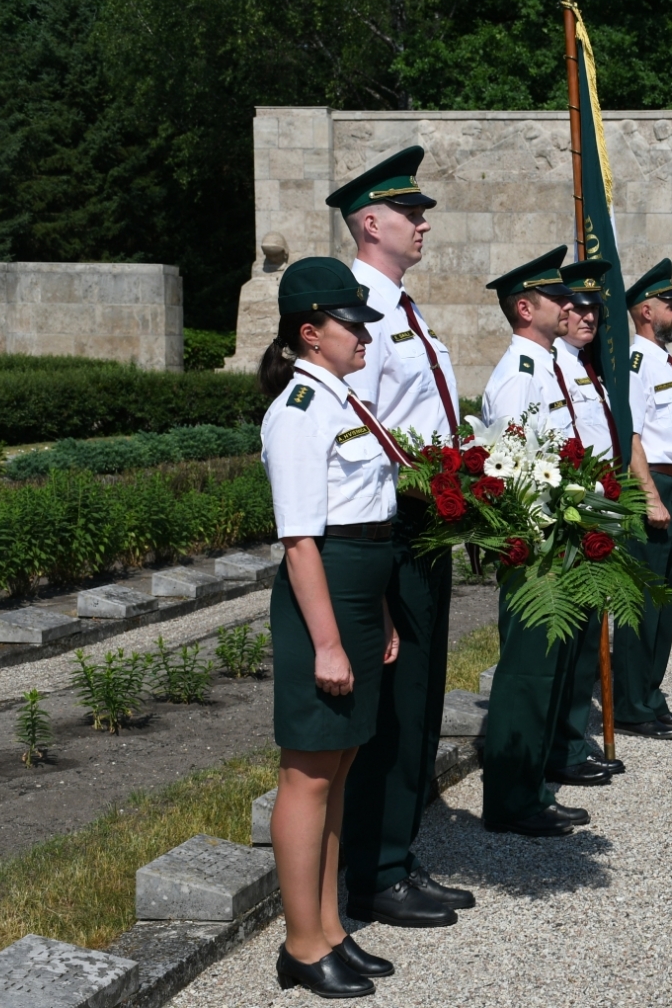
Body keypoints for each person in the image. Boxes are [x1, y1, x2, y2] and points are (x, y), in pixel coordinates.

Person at [327, 145, 474, 928]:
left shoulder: (402, 307)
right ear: (370, 221)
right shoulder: (358, 311)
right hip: (392, 518)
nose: (422, 223)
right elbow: (361, 432)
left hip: (429, 514)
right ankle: (376, 869)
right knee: (396, 697)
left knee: (421, 694)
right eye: (410, 212)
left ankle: (398, 852)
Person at [257, 257, 403, 998]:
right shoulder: (300, 412)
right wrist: (326, 641)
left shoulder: (344, 401)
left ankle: (331, 924)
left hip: (356, 589)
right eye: (353, 323)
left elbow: (368, 516)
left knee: (339, 766)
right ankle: (300, 942)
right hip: (323, 595)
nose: (365, 335)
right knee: (308, 774)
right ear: (311, 332)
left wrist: (375, 613)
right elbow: (302, 539)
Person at [479, 246, 590, 837]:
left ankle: (536, 786)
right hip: (536, 538)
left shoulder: (547, 365)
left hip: (562, 533)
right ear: (525, 308)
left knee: (552, 669)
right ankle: (511, 798)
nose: (569, 304)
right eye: (555, 297)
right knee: (527, 672)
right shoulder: (518, 375)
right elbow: (514, 466)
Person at [547, 259, 628, 788]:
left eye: (595, 308)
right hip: (568, 512)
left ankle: (573, 742)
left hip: (596, 504)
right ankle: (564, 746)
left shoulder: (580, 363)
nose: (588, 316)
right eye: (576, 307)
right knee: (569, 643)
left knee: (584, 641)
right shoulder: (549, 363)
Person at [612, 259, 672, 741]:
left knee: (665, 602)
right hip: (652, 486)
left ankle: (650, 695)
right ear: (645, 310)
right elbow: (633, 436)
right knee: (641, 601)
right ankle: (629, 704)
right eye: (671, 305)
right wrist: (649, 496)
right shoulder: (636, 362)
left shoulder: (662, 359)